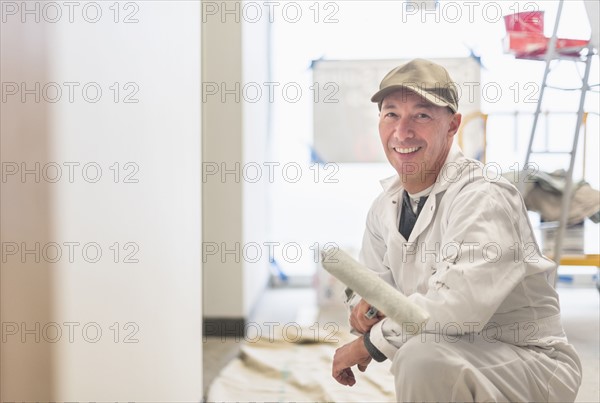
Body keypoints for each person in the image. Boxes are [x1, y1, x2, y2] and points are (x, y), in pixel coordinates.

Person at [331, 59, 582, 402]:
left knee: (421, 357)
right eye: (391, 114)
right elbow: (375, 287)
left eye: (421, 115)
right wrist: (364, 307)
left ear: (452, 125)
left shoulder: (483, 196)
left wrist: (368, 345)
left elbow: (456, 307)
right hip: (458, 352)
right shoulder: (384, 206)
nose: (402, 131)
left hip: (528, 362)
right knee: (421, 352)